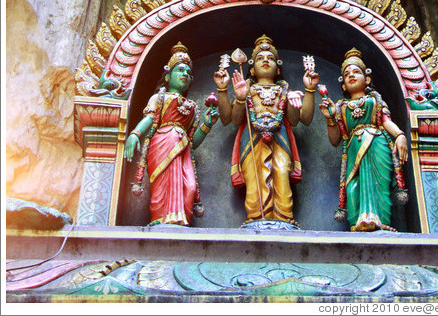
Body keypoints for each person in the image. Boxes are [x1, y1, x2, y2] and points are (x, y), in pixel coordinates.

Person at [213, 35, 319, 225]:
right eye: (260, 58)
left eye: (270, 58)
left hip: (280, 141)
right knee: (253, 176)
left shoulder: (284, 90)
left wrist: (306, 93)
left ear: (278, 69)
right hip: (252, 141)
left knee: (281, 171)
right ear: (251, 69)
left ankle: (284, 218)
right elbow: (233, 119)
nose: (265, 61)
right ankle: (255, 217)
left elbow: (301, 120)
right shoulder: (247, 90)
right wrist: (233, 94)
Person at [124, 42, 218, 226]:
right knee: (164, 183)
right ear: (167, 76)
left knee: (189, 186)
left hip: (183, 149)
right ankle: (161, 218)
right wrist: (135, 134)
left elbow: (193, 141)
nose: (185, 74)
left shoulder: (191, 106)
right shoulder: (159, 98)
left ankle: (181, 219)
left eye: (188, 73)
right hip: (163, 143)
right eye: (180, 70)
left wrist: (207, 125)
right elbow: (150, 119)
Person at [319, 48, 408, 232]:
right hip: (353, 149)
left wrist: (399, 135)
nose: (351, 76)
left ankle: (381, 221)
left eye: (356, 72)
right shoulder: (341, 106)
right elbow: (336, 140)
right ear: (343, 85)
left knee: (379, 185)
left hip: (377, 145)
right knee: (352, 189)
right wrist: (330, 118)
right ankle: (357, 222)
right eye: (347, 74)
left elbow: (385, 121)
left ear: (367, 79)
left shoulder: (374, 100)